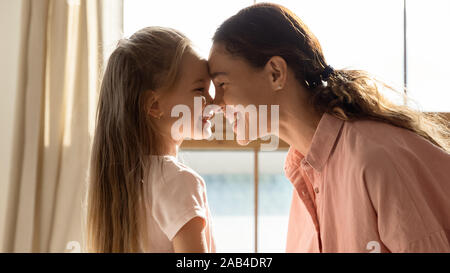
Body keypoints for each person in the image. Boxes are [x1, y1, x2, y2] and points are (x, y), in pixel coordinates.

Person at [208, 3, 450, 252]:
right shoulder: (305, 174)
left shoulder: (376, 158)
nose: (215, 103)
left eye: (222, 83)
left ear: (275, 73)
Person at [86, 26, 216, 253]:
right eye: (199, 89)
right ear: (154, 105)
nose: (212, 100)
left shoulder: (118, 182)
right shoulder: (179, 181)